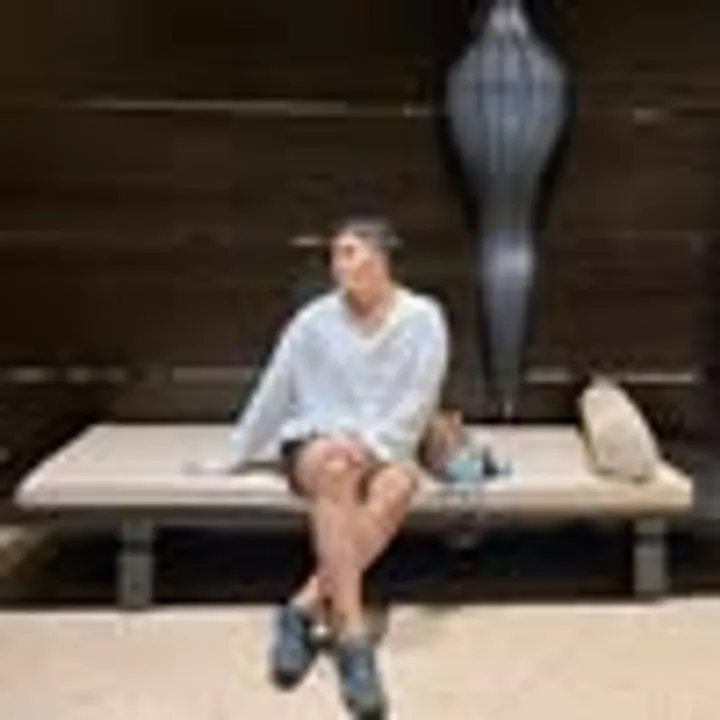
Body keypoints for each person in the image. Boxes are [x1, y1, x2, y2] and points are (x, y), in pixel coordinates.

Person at [188, 217, 449, 717]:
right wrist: (236, 454)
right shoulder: (313, 321)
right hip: (315, 438)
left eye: (349, 251)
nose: (339, 263)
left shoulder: (423, 318)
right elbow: (275, 389)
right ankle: (353, 637)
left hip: (386, 445)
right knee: (334, 467)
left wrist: (370, 446)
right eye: (334, 255)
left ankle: (302, 607)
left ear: (381, 256)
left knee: (399, 485)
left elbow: (419, 400)